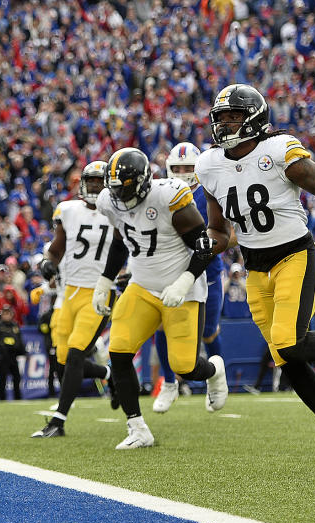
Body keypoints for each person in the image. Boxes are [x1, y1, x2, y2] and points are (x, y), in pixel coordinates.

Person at [194, 84, 315, 466]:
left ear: (254, 119)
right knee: (287, 359)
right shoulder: (209, 165)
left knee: (290, 344)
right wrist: (204, 245)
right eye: (220, 117)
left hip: (295, 255)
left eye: (233, 117)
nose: (224, 124)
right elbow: (221, 232)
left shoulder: (278, 152)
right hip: (256, 266)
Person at [91, 147, 228, 450]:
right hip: (142, 285)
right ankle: (137, 427)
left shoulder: (170, 197)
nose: (118, 196)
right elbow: (119, 241)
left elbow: (204, 246)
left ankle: (214, 370)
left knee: (186, 367)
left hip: (183, 288)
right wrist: (105, 279)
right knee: (119, 350)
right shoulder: (108, 201)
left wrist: (185, 280)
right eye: (113, 189)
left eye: (124, 189)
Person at [31, 161, 115, 437]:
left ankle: (59, 420)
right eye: (90, 182)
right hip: (69, 294)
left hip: (99, 291)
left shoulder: (119, 211)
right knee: (64, 359)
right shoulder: (68, 210)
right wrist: (48, 262)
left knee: (78, 353)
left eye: (98, 182)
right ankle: (109, 375)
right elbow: (57, 248)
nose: (93, 187)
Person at [153, 141, 227, 414]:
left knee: (208, 333)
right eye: (178, 167)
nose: (183, 172)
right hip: (170, 271)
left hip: (206, 273)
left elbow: (227, 235)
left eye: (188, 168)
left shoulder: (210, 192)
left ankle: (215, 379)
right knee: (161, 326)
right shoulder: (161, 193)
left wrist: (205, 246)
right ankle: (169, 382)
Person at [0, 305, 25, 401]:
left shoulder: (15, 326)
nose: (6, 316)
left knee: (17, 377)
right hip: (3, 356)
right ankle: (2, 399)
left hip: (13, 356)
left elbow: (19, 340)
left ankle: (18, 398)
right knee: (2, 379)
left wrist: (23, 352)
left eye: (8, 313)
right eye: (4, 313)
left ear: (11, 314)